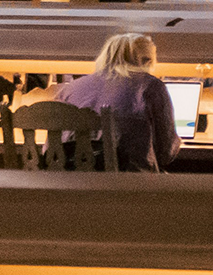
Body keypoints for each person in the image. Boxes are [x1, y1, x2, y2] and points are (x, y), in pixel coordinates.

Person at [52, 33, 179, 173]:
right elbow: (165, 153)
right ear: (147, 61)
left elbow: (51, 150)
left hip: (68, 183)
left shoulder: (70, 88)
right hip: (126, 185)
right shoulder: (150, 86)